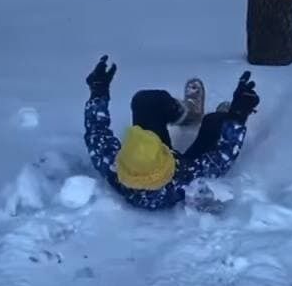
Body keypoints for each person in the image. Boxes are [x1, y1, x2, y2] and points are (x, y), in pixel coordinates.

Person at [84, 56, 259, 211]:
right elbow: (223, 157)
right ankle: (224, 115)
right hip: (184, 163)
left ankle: (188, 114)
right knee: (215, 124)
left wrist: (98, 92)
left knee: (144, 102)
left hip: (152, 167)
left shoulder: (118, 173)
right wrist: (238, 114)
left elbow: (96, 135)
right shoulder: (183, 179)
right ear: (167, 165)